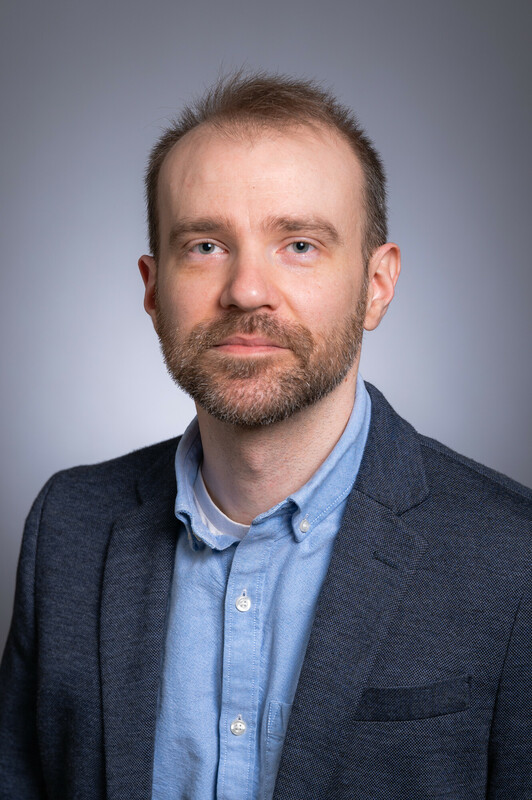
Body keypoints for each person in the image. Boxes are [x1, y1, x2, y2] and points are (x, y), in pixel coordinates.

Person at [0, 72, 530, 800]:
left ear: (377, 285)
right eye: (206, 245)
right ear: (152, 288)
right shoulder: (67, 528)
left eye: (300, 244)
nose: (247, 290)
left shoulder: (513, 558)